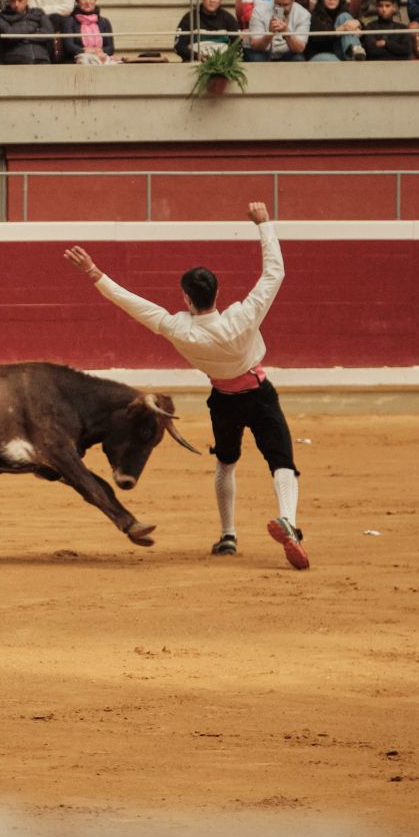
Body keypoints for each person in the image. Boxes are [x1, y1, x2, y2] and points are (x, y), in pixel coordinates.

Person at [63, 202, 307, 569]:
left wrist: (94, 272)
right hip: (259, 394)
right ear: (217, 293)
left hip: (223, 399)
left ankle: (228, 535)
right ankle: (288, 519)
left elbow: (133, 304)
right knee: (281, 460)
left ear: (187, 299)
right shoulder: (244, 316)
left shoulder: (179, 329)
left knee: (226, 463)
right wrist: (264, 224)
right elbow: (275, 272)